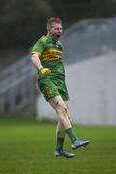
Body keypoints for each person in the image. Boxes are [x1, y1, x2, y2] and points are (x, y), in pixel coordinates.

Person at [30, 17, 90, 158]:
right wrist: (41, 68)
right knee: (61, 109)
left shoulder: (59, 45)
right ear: (49, 30)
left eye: (61, 28)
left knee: (65, 116)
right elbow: (34, 56)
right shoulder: (43, 41)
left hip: (61, 82)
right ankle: (75, 140)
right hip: (47, 80)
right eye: (57, 28)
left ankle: (59, 149)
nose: (60, 31)